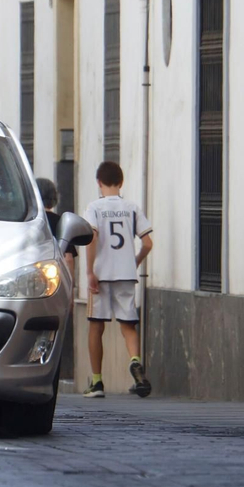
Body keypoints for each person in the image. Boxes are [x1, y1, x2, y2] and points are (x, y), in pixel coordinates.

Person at [82, 161, 153, 398]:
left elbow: (92, 238)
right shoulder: (132, 208)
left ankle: (97, 382)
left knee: (96, 326)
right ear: (121, 182)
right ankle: (135, 361)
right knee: (128, 325)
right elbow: (147, 243)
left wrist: (90, 271)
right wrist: (134, 262)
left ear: (99, 183)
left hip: (101, 274)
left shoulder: (94, 207)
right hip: (126, 273)